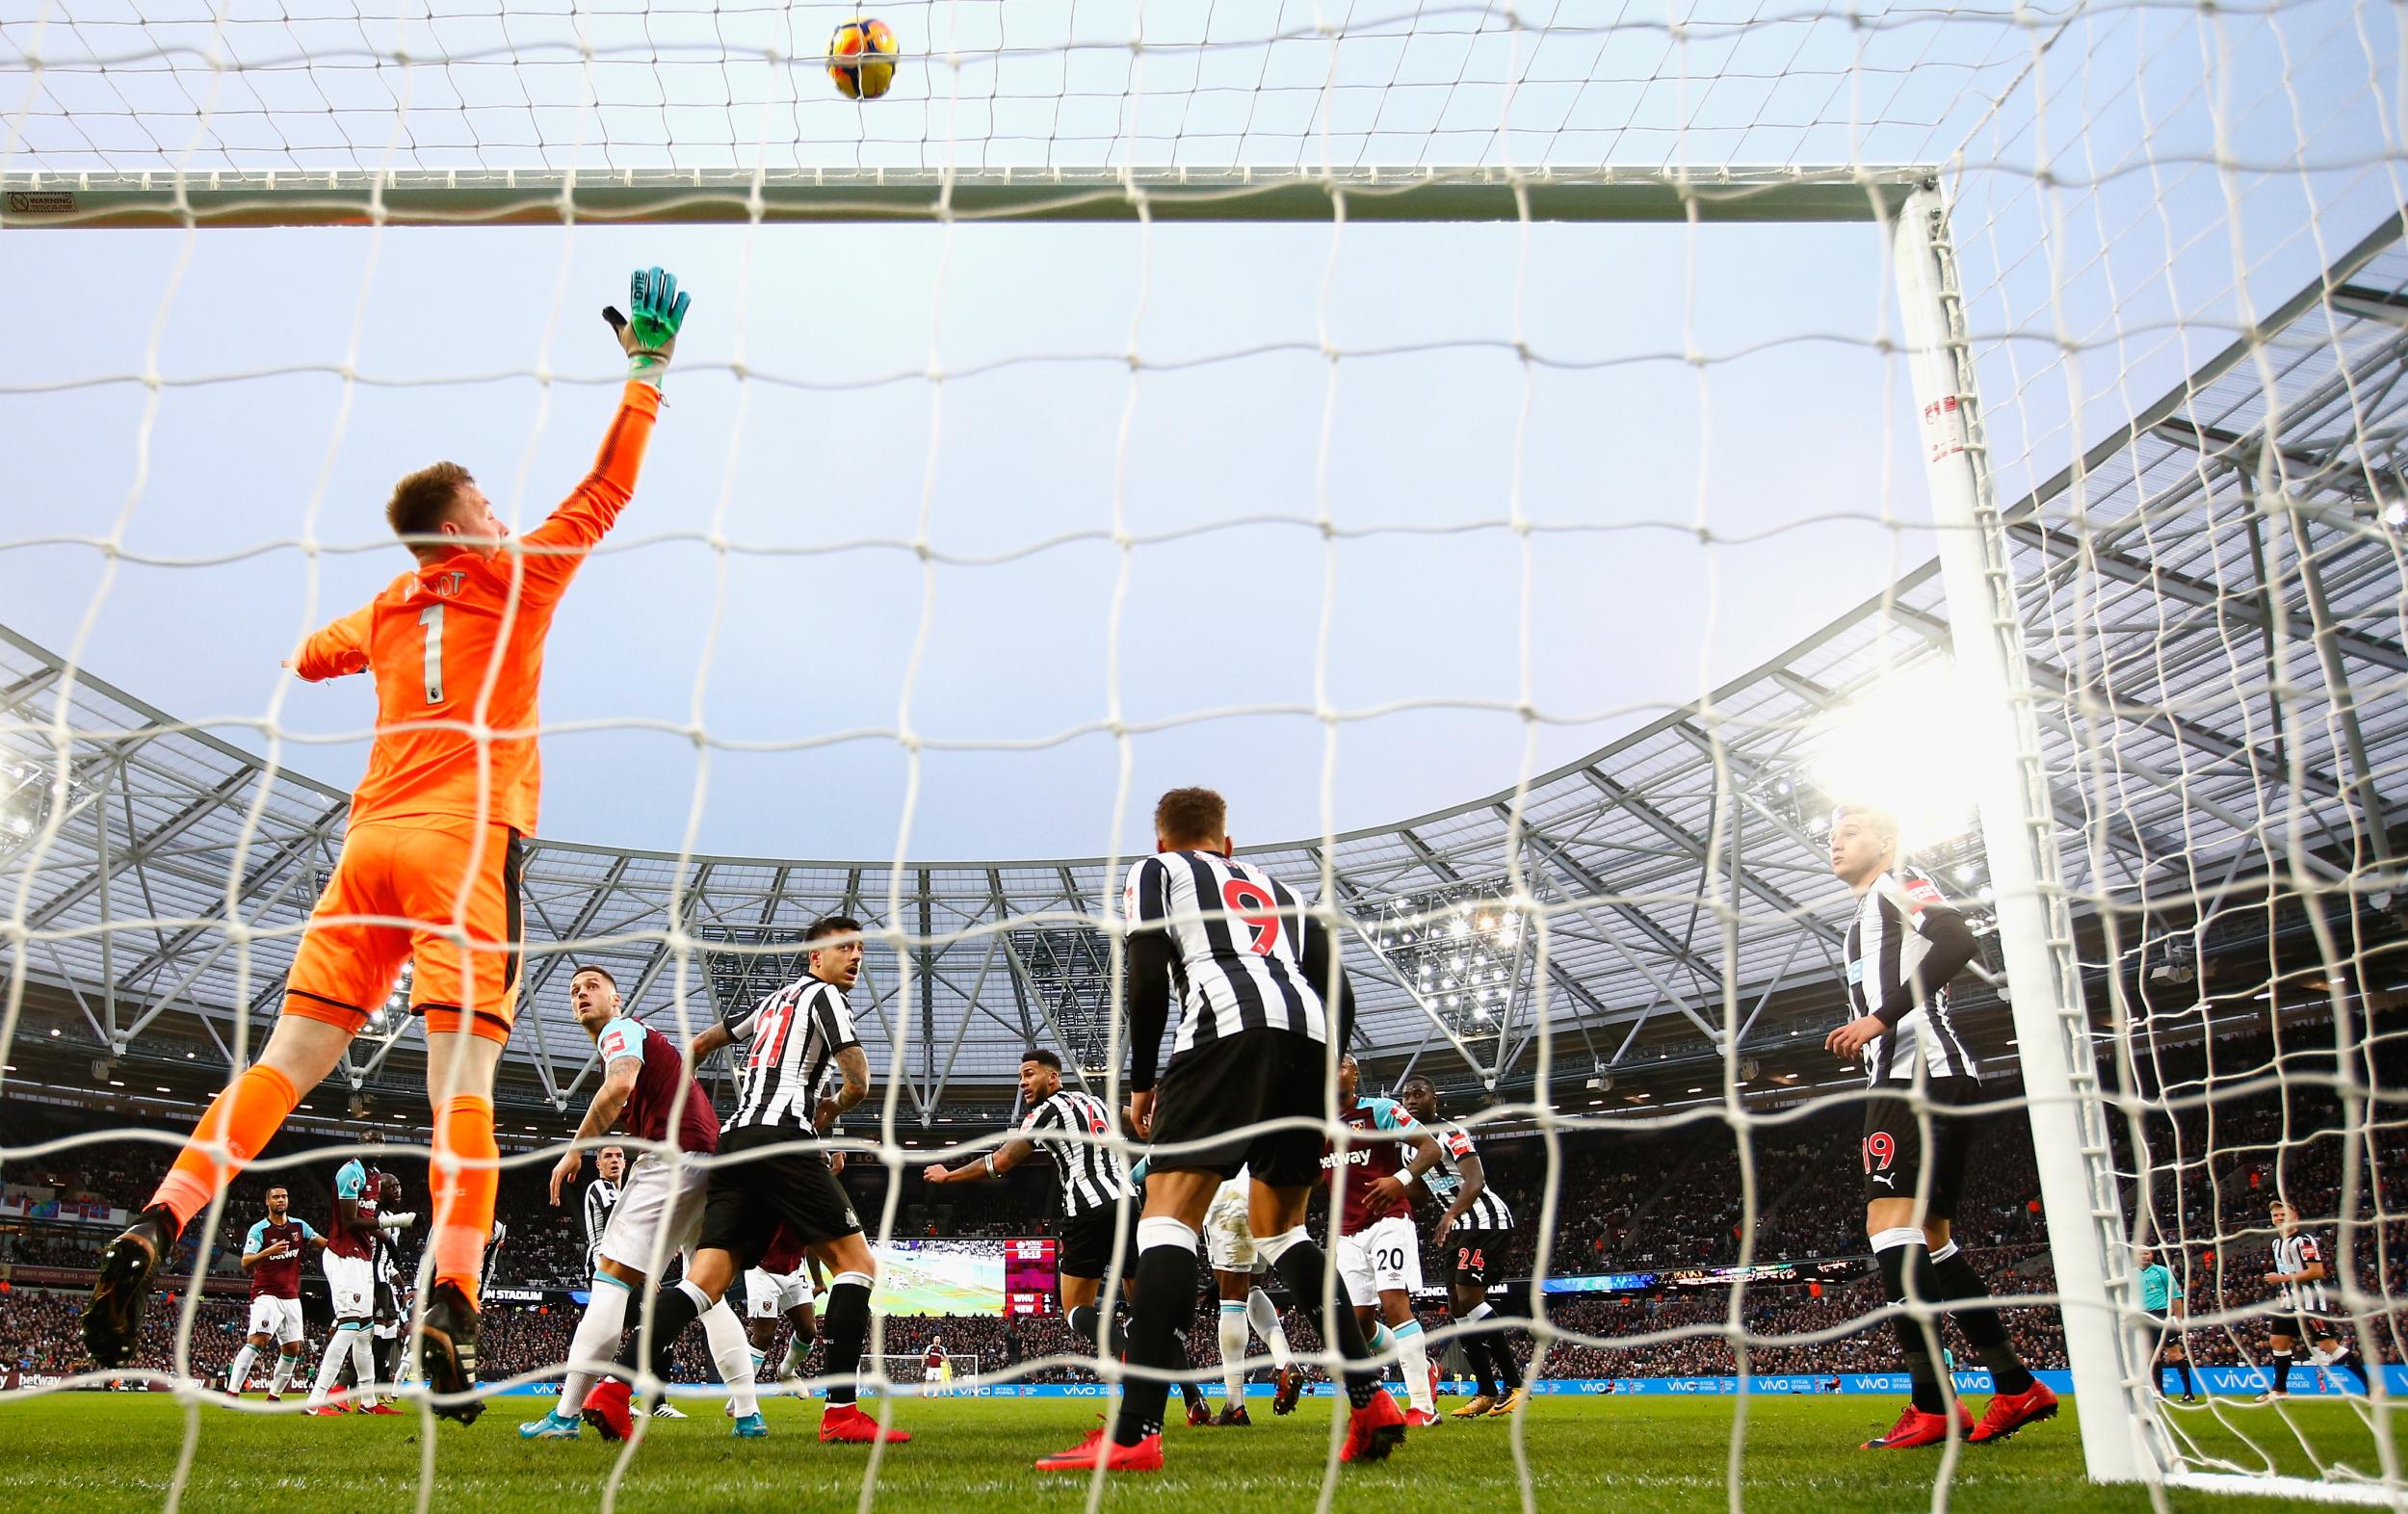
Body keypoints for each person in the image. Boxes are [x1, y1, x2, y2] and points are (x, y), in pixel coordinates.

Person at [79, 269, 694, 1426]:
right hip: (463, 852)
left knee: (282, 1064)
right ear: (463, 526)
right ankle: (453, 1296)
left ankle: (161, 1217)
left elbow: (308, 655)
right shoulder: (512, 579)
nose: (507, 517)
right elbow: (605, 489)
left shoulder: (391, 605)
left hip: (363, 854)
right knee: (459, 1084)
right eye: (489, 506)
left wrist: (369, 634)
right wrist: (646, 374)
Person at [1034, 787, 1402, 1473]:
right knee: (1283, 1231)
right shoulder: (1285, 890)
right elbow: (1340, 993)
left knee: (1167, 1220)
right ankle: (1372, 1395)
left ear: (1163, 841)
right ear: (1228, 844)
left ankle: (1136, 1432)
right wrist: (1326, 1090)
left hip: (1224, 1035)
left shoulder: (1158, 872)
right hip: (1310, 1041)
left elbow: (1145, 976)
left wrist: (1142, 1081)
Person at [580, 916, 908, 1447]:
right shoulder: (827, 999)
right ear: (815, 958)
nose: (855, 957)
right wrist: (829, 1109)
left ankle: (614, 1391)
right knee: (858, 1266)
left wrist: (679, 1092)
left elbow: (703, 1042)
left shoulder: (774, 1003)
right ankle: (843, 1411)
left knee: (703, 1283)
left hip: (733, 1144)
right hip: (781, 1140)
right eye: (843, 948)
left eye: (860, 950)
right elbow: (860, 1081)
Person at [1822, 803, 2055, 1449]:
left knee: (1888, 1227)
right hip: (1930, 1075)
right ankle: (2015, 1388)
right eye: (1832, 837)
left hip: (1915, 1075)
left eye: (1851, 833)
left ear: (1887, 842)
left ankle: (1932, 1403)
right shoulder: (1867, 910)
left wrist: (1879, 1020)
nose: (1836, 844)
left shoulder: (1898, 881)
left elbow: (1959, 941)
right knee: (1933, 1237)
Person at [516, 964, 763, 1440]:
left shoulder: (620, 1031)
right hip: (708, 1164)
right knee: (706, 1293)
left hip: (672, 1159)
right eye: (573, 991)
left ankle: (566, 1415)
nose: (580, 995)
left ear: (617, 1000)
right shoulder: (648, 1039)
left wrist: (574, 1151)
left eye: (592, 987)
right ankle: (749, 1415)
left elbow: (620, 1085)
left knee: (610, 1282)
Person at [922, 1048, 1212, 1425]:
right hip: (1128, 1204)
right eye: (1020, 1077)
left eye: (1029, 1074)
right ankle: (1195, 1400)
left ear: (1053, 1078)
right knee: (1149, 1312)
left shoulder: (1045, 1112)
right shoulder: (1096, 1102)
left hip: (1087, 1210)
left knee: (1075, 1309)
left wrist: (950, 1175)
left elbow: (1003, 1162)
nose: (1022, 1083)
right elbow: (1137, 1117)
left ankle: (1125, 1358)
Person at [1321, 1054, 1446, 1427]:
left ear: (1354, 1075)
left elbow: (1431, 1148)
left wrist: (1400, 1180)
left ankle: (1422, 1406)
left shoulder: (1380, 1111)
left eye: (1342, 1063)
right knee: (1359, 1324)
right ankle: (1424, 1366)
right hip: (1346, 1232)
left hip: (1388, 1220)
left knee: (1394, 1303)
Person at [1398, 1074, 1527, 1418]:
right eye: (1406, 1095)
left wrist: (1451, 1213)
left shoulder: (1452, 1132)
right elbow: (1422, 1194)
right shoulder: (1407, 1146)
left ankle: (1514, 1385)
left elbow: (1475, 1179)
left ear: (1434, 1099)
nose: (1411, 1099)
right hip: (1457, 1228)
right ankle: (1485, 1390)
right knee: (1456, 1308)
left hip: (1485, 1222)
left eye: (1418, 1093)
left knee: (1470, 1297)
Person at [307, 1141, 411, 1415]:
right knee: (351, 1327)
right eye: (391, 1188)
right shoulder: (349, 1174)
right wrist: (394, 1227)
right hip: (344, 1257)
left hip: (362, 1261)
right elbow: (351, 1221)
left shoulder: (372, 1180)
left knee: (365, 1333)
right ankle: (317, 1400)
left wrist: (390, 1243)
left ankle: (368, 1402)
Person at [2256, 1198, 2360, 1400]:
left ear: (2295, 1217)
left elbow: (2317, 1272)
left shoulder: (2304, 1241)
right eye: (2275, 1215)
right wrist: (2283, 1289)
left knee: (2327, 1346)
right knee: (2277, 1341)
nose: (2279, 1218)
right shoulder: (2277, 1243)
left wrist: (2282, 1278)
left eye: (2283, 1215)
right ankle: (2279, 1389)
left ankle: (2372, 1386)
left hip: (2310, 1301)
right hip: (2288, 1302)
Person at [226, 1186, 325, 1399]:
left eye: (284, 1196)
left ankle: (274, 1396)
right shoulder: (259, 1229)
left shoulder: (300, 1227)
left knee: (292, 1349)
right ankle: (232, 1393)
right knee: (258, 1340)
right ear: (267, 1202)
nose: (281, 1200)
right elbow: (246, 1262)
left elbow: (324, 1244)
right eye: (276, 1197)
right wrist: (269, 1251)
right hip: (266, 1294)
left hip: (291, 1296)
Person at [743, 1224, 819, 1392]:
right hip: (764, 1272)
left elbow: (812, 1241)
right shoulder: (769, 1201)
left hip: (794, 1269)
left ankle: (786, 1371)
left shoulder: (807, 1205)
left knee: (808, 1331)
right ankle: (741, 1395)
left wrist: (818, 1281)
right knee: (764, 1334)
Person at [2133, 1244, 2197, 1403]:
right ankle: (2160, 1392)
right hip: (2143, 1317)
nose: (2144, 1257)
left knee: (2174, 1353)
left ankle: (2188, 1393)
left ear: (2152, 1255)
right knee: (2151, 1356)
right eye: (2140, 1254)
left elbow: (2175, 1296)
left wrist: (2179, 1319)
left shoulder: (2161, 1271)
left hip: (2162, 1315)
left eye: (2146, 1253)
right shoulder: (2131, 1275)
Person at [585, 1146, 626, 1282]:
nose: (614, 1160)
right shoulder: (600, 1186)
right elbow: (619, 1219)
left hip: (617, 1263)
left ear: (624, 1163)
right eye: (608, 1156)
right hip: (602, 1264)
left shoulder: (621, 1194)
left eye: (619, 1156)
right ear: (598, 1164)